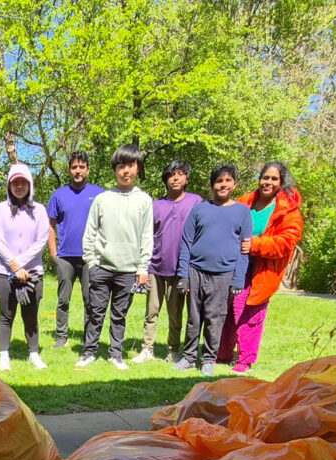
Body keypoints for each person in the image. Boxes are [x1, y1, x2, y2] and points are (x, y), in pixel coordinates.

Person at [217, 161, 305, 372]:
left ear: (281, 182)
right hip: (235, 265)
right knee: (226, 310)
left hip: (261, 269)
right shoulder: (245, 201)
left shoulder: (288, 210)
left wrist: (255, 244)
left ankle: (245, 360)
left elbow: (287, 241)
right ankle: (222, 354)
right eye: (265, 177)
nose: (268, 182)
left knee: (250, 312)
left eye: (274, 179)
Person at [77, 144, 152, 370]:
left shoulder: (144, 200)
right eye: (121, 166)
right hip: (101, 267)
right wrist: (91, 262)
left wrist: (142, 268)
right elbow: (90, 232)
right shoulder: (102, 199)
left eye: (130, 166)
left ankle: (115, 354)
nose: (125, 171)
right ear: (115, 170)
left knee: (119, 315)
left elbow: (147, 236)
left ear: (137, 168)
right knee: (95, 312)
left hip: (129, 271)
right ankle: (89, 352)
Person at [173, 162, 252, 377]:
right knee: (194, 318)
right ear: (212, 185)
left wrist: (238, 280)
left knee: (214, 318)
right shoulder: (200, 209)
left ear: (234, 184)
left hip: (224, 274)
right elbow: (186, 242)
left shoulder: (242, 212)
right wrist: (183, 275)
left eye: (227, 181)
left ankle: (208, 359)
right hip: (195, 270)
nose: (223, 185)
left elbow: (245, 249)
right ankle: (189, 357)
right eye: (219, 181)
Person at [134, 159, 202, 363]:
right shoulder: (156, 205)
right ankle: (147, 348)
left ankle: (173, 350)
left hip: (180, 269)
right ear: (166, 179)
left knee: (175, 314)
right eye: (171, 174)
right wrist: (143, 266)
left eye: (180, 173)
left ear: (186, 178)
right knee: (151, 311)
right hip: (155, 267)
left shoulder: (196, 202)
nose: (175, 178)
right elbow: (146, 236)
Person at [0, 163, 50, 372]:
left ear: (30, 184)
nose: (19, 186)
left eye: (23, 182)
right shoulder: (0, 210)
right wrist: (14, 266)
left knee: (31, 315)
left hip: (33, 273)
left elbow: (42, 240)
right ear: (9, 185)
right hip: (5, 272)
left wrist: (21, 265)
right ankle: (4, 355)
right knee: (6, 315)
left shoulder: (40, 210)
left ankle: (33, 354)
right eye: (15, 182)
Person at [47, 151, 105, 349]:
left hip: (91, 258)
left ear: (88, 170)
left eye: (81, 167)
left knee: (91, 300)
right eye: (74, 167)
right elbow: (50, 226)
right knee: (63, 300)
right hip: (65, 258)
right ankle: (61, 337)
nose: (77, 171)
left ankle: (89, 339)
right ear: (69, 170)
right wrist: (54, 254)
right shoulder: (59, 195)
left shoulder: (99, 194)